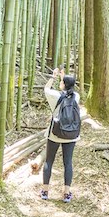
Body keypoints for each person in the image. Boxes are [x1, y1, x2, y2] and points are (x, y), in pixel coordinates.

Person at [42, 67, 83, 203]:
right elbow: (68, 91)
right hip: (71, 134)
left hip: (55, 133)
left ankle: (45, 191)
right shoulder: (76, 97)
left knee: (49, 161)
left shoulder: (55, 96)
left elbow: (46, 89)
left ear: (63, 85)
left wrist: (54, 77)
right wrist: (64, 79)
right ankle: (66, 193)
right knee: (68, 163)